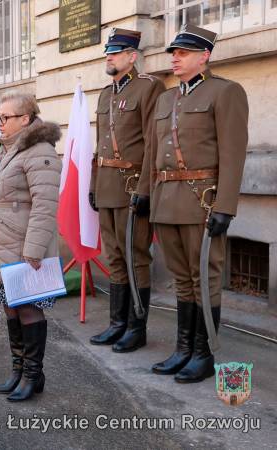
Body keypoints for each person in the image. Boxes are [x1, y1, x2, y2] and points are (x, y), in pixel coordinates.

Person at [138, 24, 248, 383]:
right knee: (182, 280)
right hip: (166, 199)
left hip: (203, 201)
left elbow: (233, 154)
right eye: (173, 52)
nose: (175, 58)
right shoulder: (166, 99)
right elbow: (151, 155)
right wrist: (144, 193)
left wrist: (225, 207)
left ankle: (205, 353)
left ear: (205, 56)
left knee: (204, 277)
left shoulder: (225, 92)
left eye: (182, 53)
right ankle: (183, 348)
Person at [88, 29, 166, 352]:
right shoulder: (106, 95)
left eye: (117, 52)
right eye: (108, 51)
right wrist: (93, 183)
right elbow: (99, 145)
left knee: (135, 257)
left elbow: (154, 144)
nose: (110, 56)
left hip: (132, 185)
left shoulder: (149, 88)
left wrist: (146, 189)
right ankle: (117, 324)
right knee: (116, 257)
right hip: (107, 185)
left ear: (132, 56)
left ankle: (137, 326)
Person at [0, 92, 62, 403]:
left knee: (29, 309)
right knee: (11, 307)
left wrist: (33, 250)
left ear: (25, 119)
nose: (0, 123)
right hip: (2, 240)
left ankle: (33, 374)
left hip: (24, 244)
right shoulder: (7, 149)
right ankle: (19, 370)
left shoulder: (38, 150)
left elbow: (45, 205)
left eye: (6, 118)